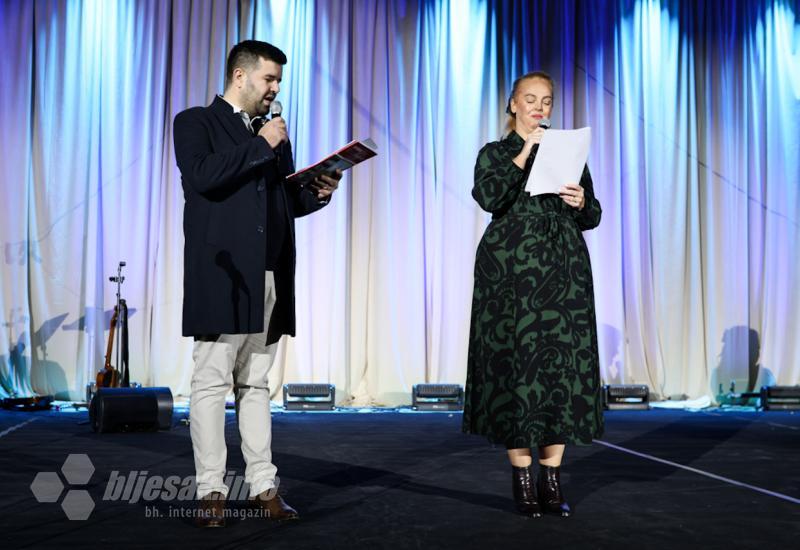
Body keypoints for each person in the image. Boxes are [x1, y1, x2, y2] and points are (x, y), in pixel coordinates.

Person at [173, 40, 342, 528]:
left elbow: (281, 203)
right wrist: (260, 145)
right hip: (222, 274)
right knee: (210, 383)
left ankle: (264, 485)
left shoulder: (271, 136)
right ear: (240, 75)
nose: (274, 90)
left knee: (256, 383)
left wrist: (317, 194)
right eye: (268, 80)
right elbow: (203, 177)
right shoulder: (196, 122)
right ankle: (211, 492)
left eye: (278, 83)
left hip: (268, 273)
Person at [462, 71, 603, 518]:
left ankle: (552, 478)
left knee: (558, 373)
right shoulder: (496, 153)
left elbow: (593, 214)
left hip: (563, 274)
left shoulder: (569, 154)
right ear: (513, 105)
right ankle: (523, 480)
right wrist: (525, 153)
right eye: (530, 99)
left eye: (546, 101)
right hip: (509, 277)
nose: (539, 108)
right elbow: (489, 196)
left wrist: (582, 202)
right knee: (516, 371)